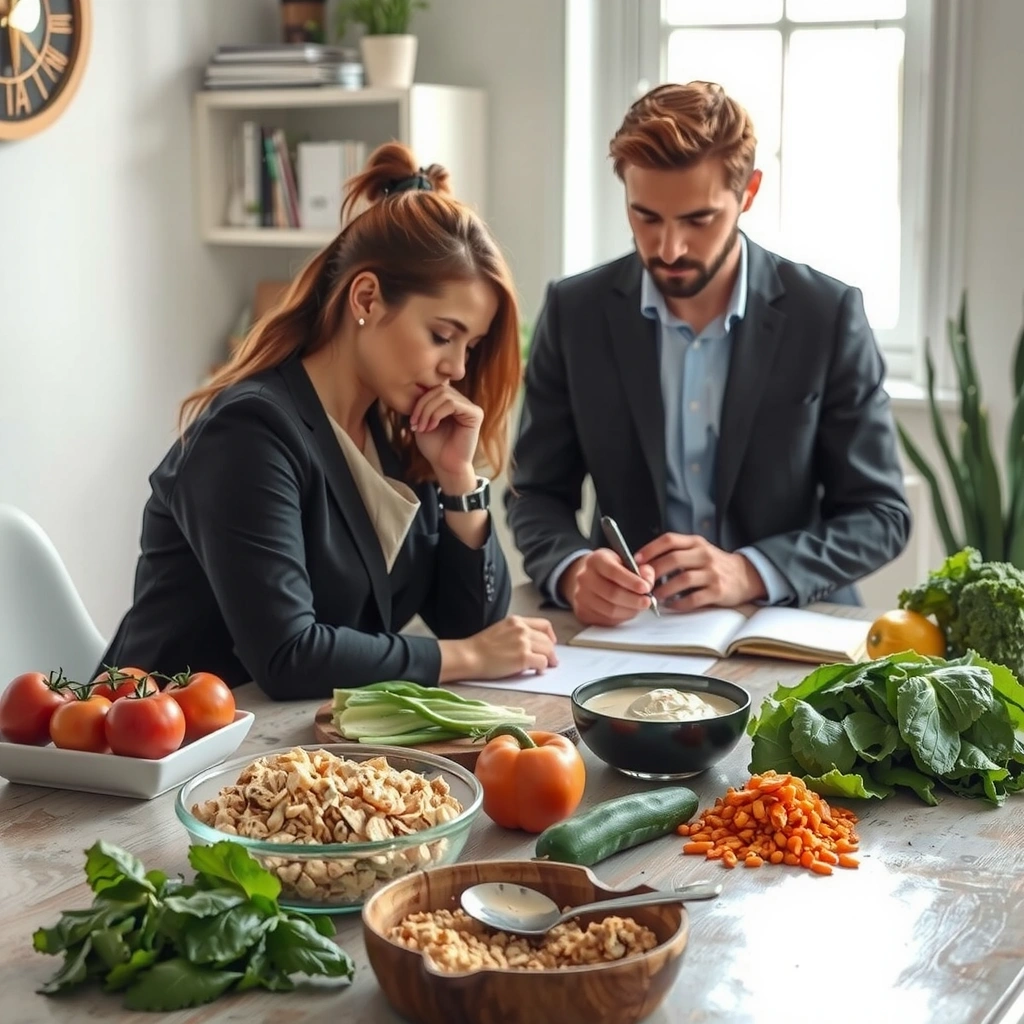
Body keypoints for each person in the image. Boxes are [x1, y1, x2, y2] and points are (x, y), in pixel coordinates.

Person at [99, 143, 557, 699]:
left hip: (293, 736)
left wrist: (459, 480)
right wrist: (468, 657)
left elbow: (473, 625)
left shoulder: (393, 431)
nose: (457, 368)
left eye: (471, 346)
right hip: (172, 735)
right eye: (442, 335)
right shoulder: (248, 433)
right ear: (366, 298)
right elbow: (289, 655)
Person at [506, 81, 911, 627]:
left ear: (748, 193)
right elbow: (534, 493)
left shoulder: (826, 314)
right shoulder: (575, 312)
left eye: (698, 220)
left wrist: (750, 572)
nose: (669, 248)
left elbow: (880, 514)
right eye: (646, 217)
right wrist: (573, 569)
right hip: (628, 635)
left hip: (791, 626)